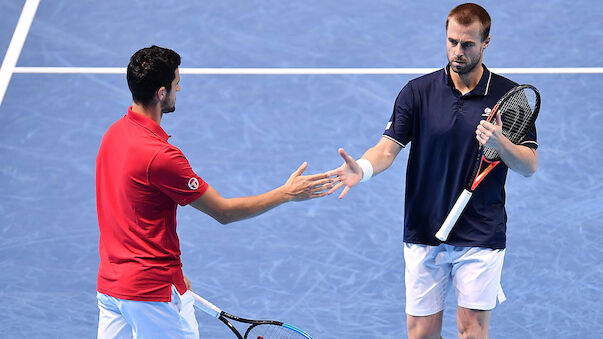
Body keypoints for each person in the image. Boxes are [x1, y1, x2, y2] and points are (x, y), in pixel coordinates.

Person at [327, 3, 538, 339]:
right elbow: (386, 148)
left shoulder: (508, 97)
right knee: (421, 334)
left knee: (471, 331)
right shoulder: (418, 92)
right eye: (452, 41)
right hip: (424, 227)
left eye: (468, 44)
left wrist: (501, 142)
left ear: (486, 43)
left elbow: (528, 165)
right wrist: (363, 169)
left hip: (480, 230)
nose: (458, 51)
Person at [95, 45, 332, 339]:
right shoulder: (161, 156)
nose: (179, 88)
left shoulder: (113, 135)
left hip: (111, 287)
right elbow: (224, 211)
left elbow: (126, 209)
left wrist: (174, 272)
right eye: (176, 83)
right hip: (151, 292)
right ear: (160, 93)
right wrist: (287, 193)